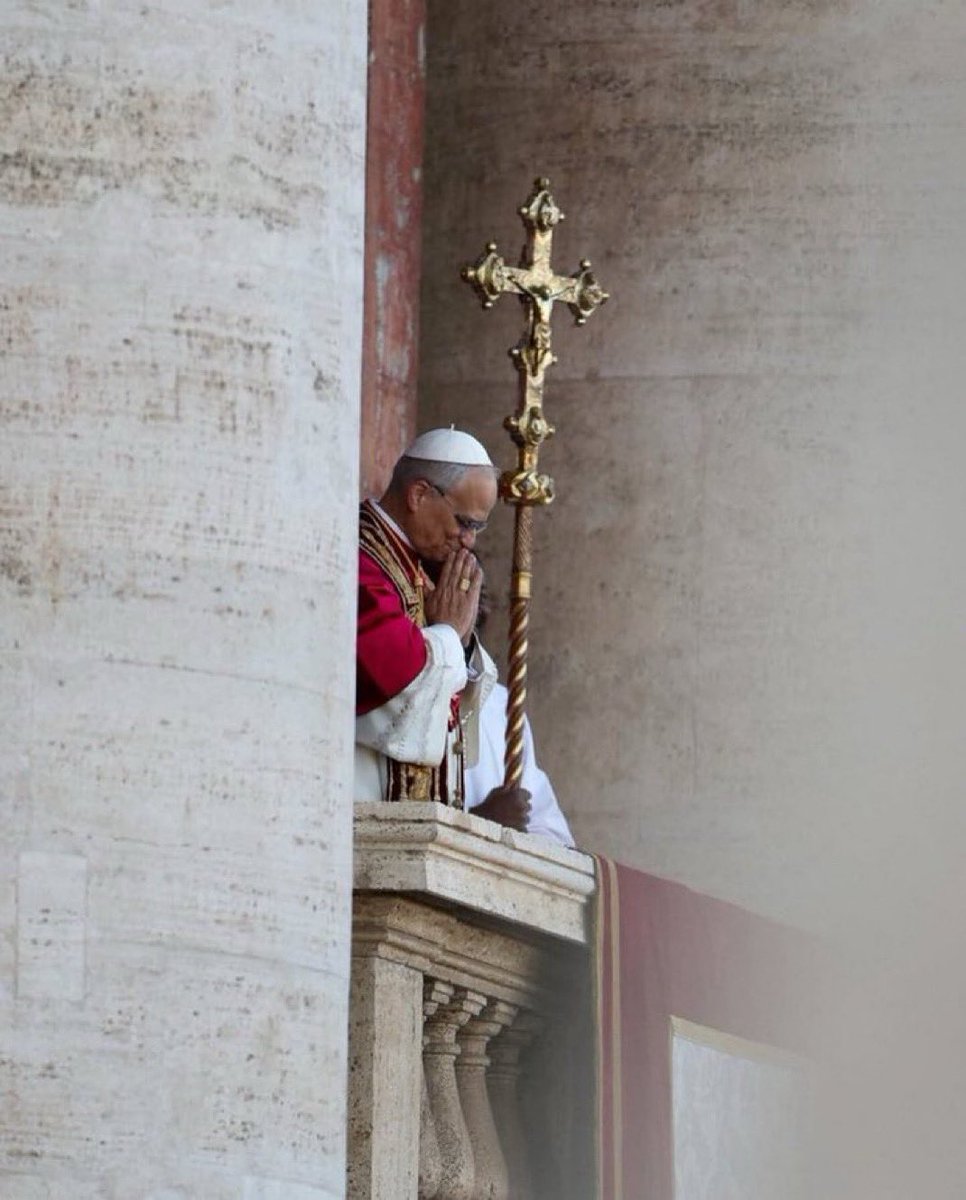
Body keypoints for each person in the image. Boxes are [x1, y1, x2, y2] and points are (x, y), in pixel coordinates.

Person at [355, 427, 530, 830]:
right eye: (465, 523)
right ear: (419, 495)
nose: (468, 542)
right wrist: (450, 632)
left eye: (478, 529)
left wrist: (462, 639)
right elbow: (387, 678)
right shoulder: (362, 559)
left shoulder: (419, 566)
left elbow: (452, 705)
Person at [465, 681, 575, 847]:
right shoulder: (414, 685)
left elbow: (553, 835)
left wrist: (519, 837)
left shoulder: (500, 703)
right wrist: (479, 823)